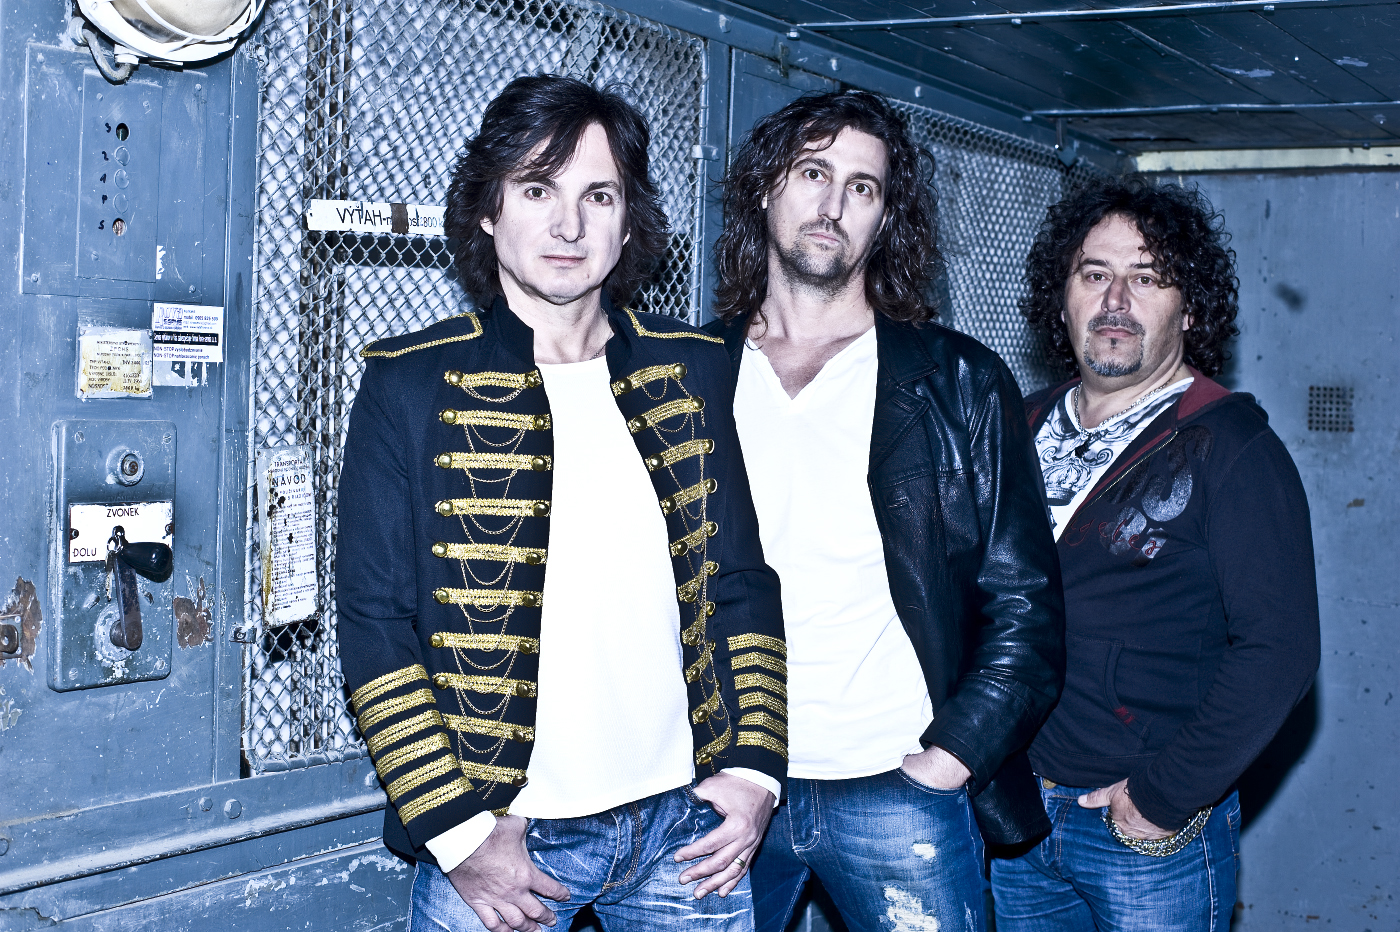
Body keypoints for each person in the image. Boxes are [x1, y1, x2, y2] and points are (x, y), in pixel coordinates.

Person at [335, 75, 788, 932]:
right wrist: (457, 833)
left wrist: (756, 768)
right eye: (538, 190)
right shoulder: (409, 382)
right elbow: (373, 621)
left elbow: (740, 580)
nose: (569, 226)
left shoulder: (694, 366)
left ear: (629, 221)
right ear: (488, 210)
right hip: (503, 840)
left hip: (687, 826)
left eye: (598, 196)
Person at [706, 89, 1065, 932]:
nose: (832, 204)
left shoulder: (956, 381)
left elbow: (1027, 607)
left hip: (896, 785)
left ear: (885, 220)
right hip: (724, 786)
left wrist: (950, 760)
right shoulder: (691, 372)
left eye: (862, 187)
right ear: (765, 188)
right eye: (812, 172)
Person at [990, 175, 1321, 931]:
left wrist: (1163, 797)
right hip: (1016, 810)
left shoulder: (1231, 447)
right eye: (1094, 274)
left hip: (1140, 830)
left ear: (1189, 308)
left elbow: (1281, 649)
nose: (1115, 300)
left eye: (1147, 278)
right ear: (1062, 298)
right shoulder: (1017, 423)